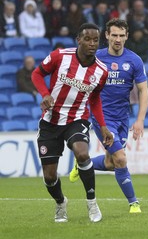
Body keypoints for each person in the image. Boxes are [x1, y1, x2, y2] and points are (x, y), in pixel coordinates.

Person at [31, 23, 114, 223]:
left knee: (82, 153)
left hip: (77, 119)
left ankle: (92, 202)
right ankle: (61, 203)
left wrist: (102, 126)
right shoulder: (60, 56)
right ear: (79, 39)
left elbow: (94, 99)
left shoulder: (101, 71)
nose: (92, 44)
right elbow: (36, 74)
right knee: (50, 177)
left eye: (96, 40)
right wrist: (45, 94)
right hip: (50, 122)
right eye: (88, 39)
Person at [69, 19, 148, 214]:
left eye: (122, 35)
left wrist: (139, 120)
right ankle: (134, 203)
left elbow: (143, 91)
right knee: (121, 159)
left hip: (123, 117)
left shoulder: (134, 60)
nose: (118, 39)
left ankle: (82, 165)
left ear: (127, 36)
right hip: (102, 117)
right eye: (114, 35)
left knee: (110, 163)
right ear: (106, 36)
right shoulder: (95, 57)